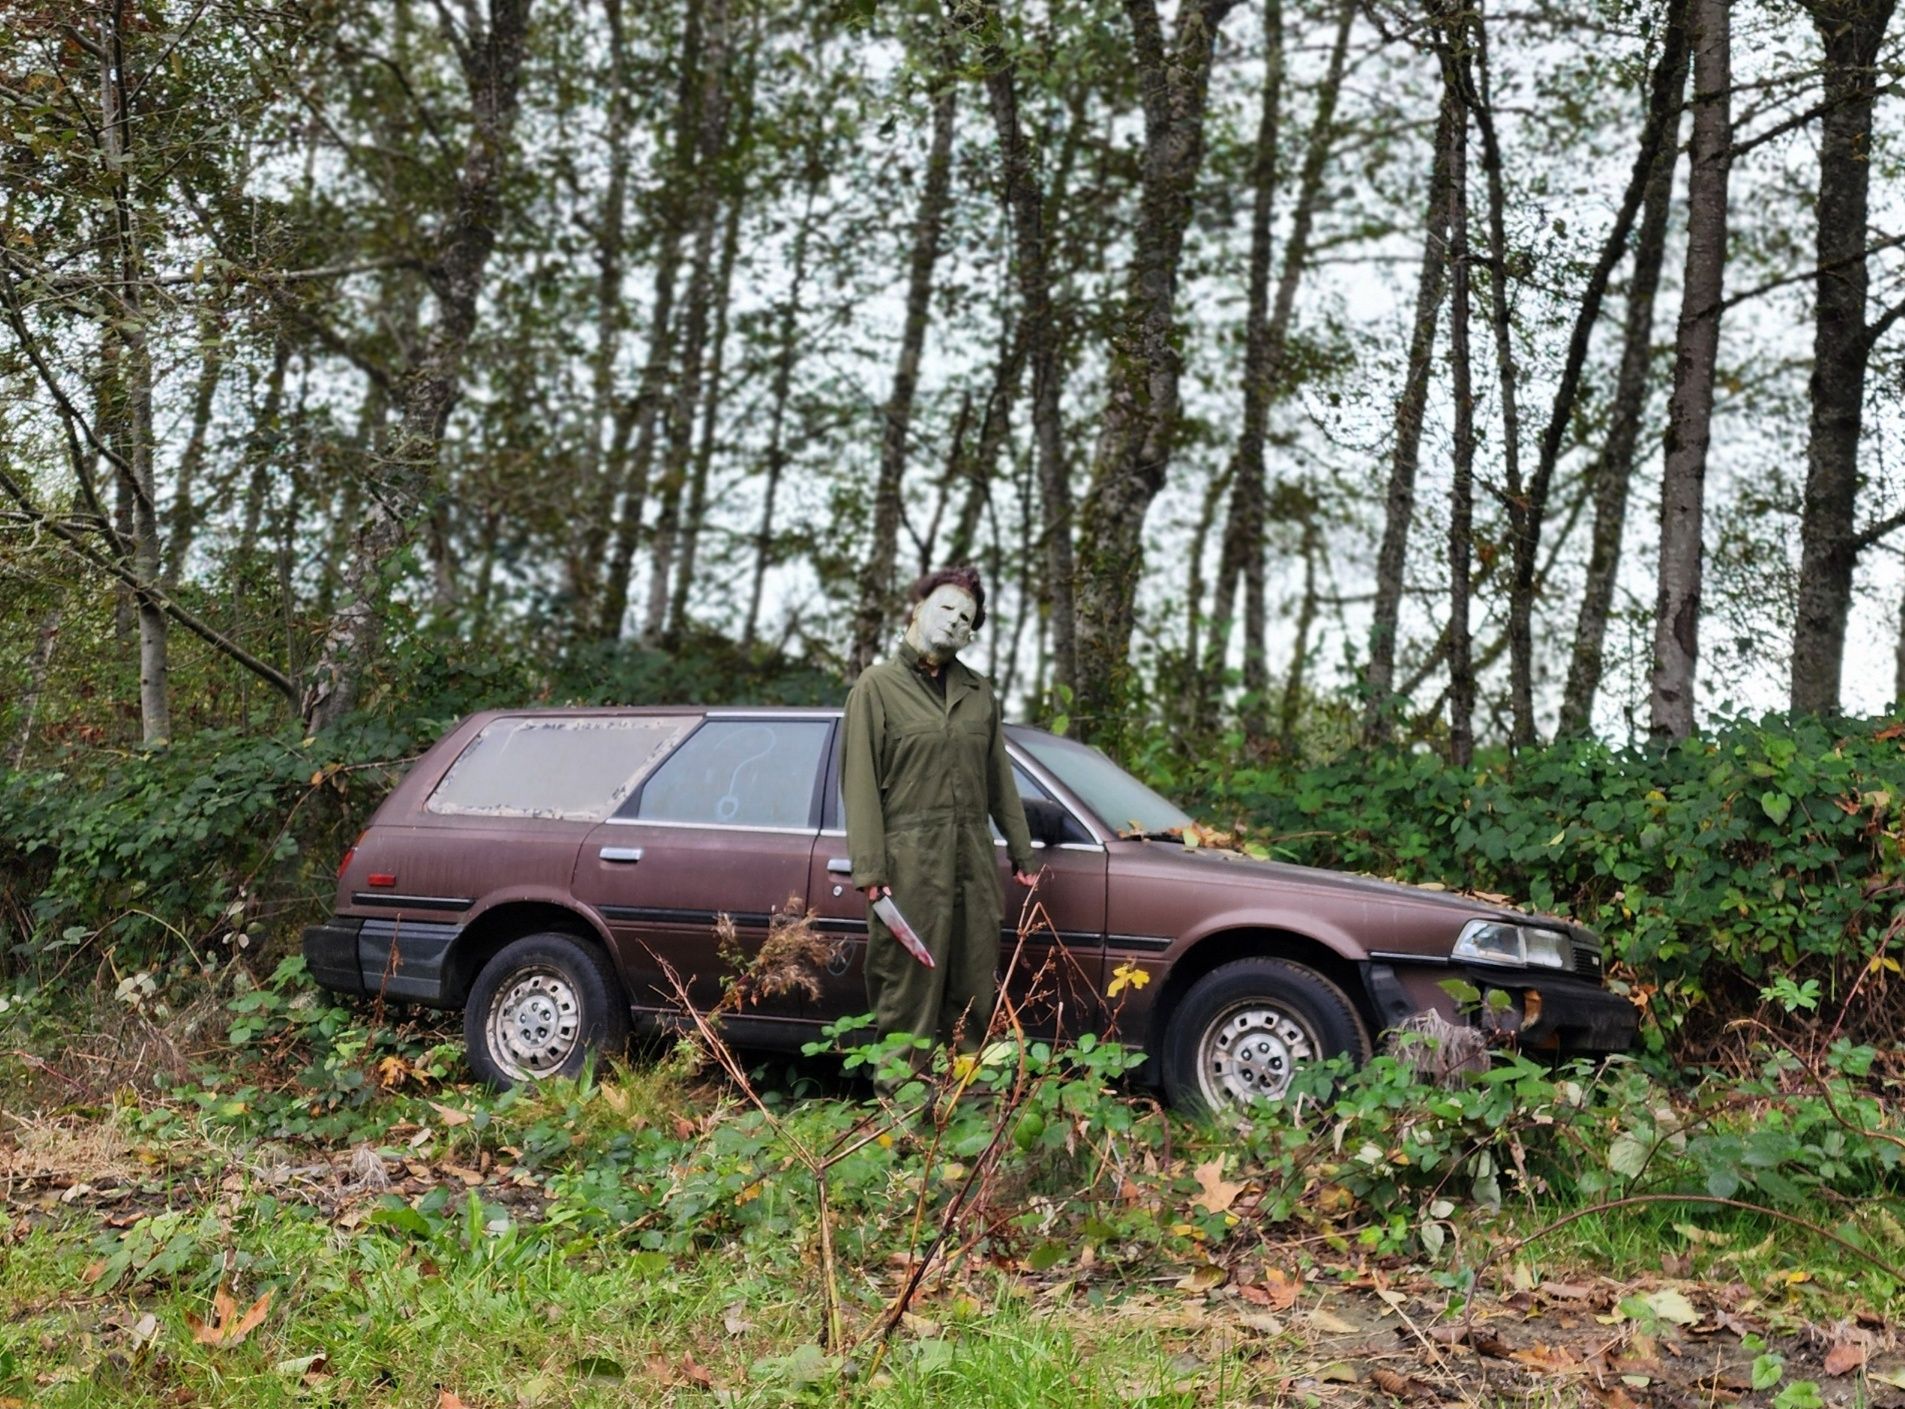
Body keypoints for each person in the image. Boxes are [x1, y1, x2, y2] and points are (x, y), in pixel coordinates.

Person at [842, 566, 1037, 1062]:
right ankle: (903, 1120)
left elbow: (1000, 780)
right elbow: (860, 782)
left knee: (972, 990)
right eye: (946, 608)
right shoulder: (877, 687)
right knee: (908, 994)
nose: (953, 621)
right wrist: (870, 870)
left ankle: (965, 1119)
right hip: (908, 865)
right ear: (918, 609)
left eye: (965, 618)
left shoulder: (979, 694)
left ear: (970, 636)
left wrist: (1022, 853)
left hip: (973, 859)